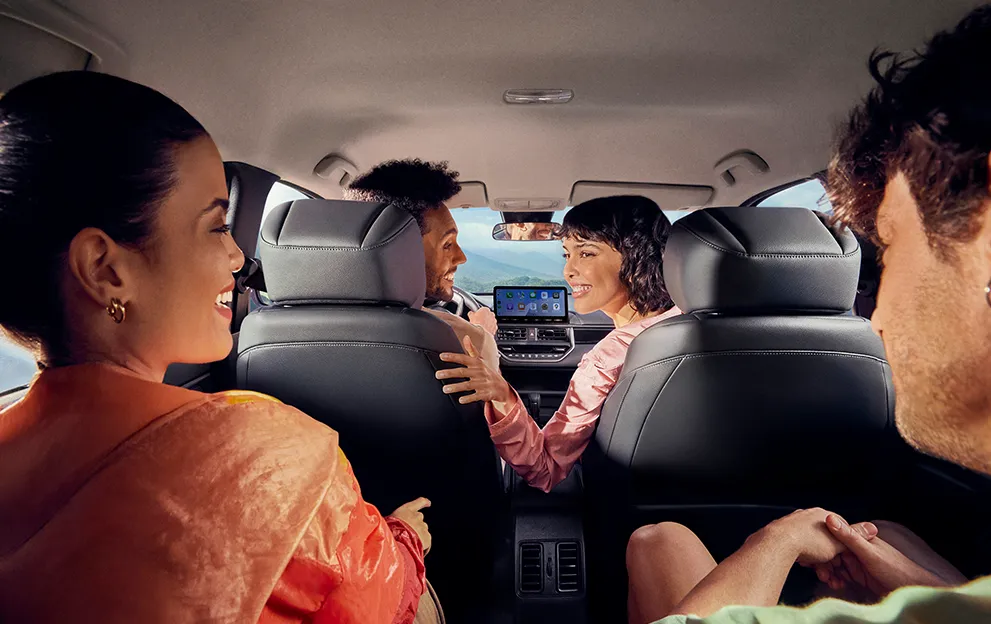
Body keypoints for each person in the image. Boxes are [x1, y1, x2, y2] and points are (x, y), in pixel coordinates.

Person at [0, 71, 443, 624]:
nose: (238, 256)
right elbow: (375, 596)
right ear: (105, 269)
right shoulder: (261, 456)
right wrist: (405, 537)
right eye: (215, 227)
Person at [625, 6, 991, 623]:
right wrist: (917, 585)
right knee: (888, 532)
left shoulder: (654, 352)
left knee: (656, 539)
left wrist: (778, 538)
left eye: (889, 242)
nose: (878, 319)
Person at [435, 196, 682, 492]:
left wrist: (502, 393)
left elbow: (545, 469)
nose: (568, 271)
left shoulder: (607, 359)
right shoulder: (697, 325)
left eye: (586, 253)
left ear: (637, 256)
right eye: (566, 255)